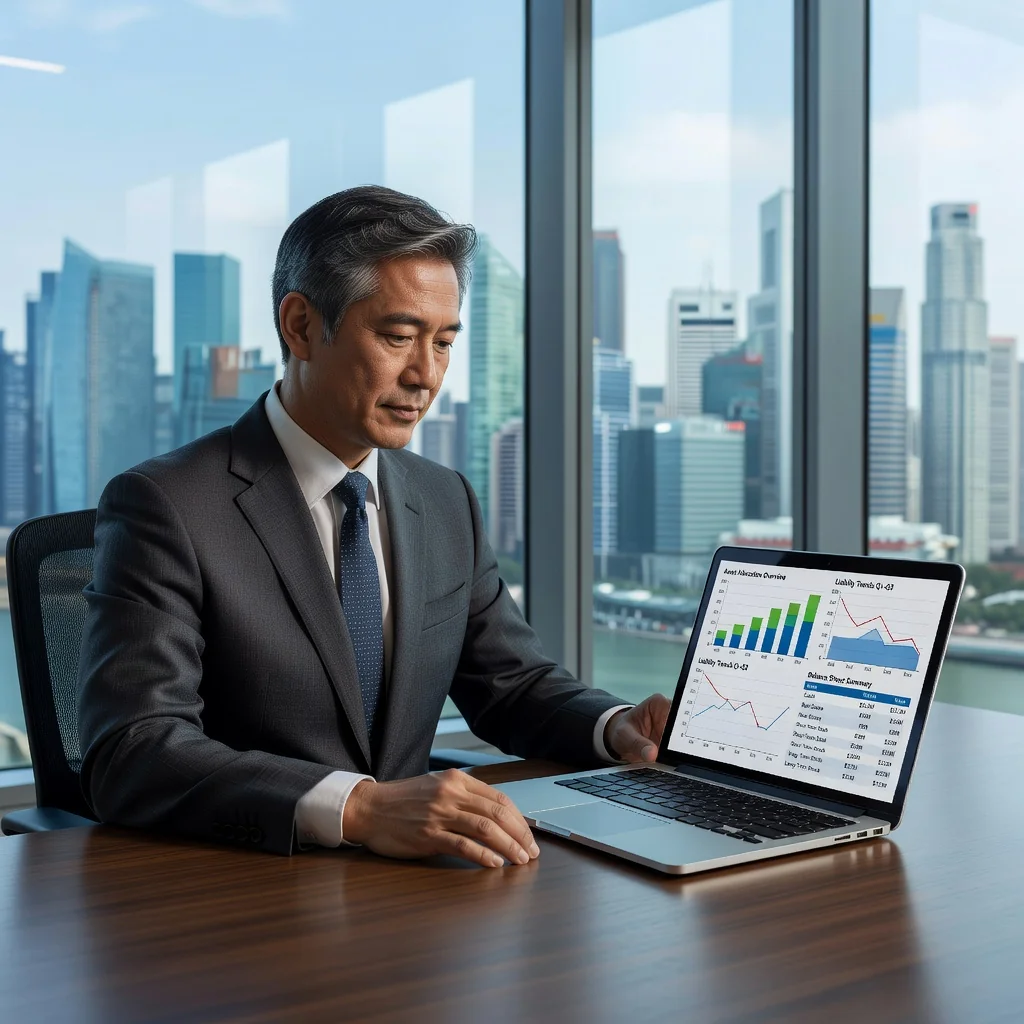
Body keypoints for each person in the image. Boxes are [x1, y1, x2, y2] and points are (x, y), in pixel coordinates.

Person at [77, 186, 670, 867]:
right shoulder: (166, 504)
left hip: (421, 895)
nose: (426, 375)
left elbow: (512, 685)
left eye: (444, 343)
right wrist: (358, 807)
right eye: (398, 337)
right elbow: (133, 749)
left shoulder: (445, 499)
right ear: (300, 326)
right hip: (246, 893)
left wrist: (615, 726)